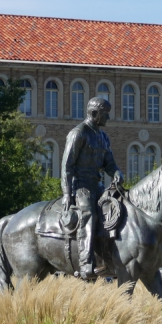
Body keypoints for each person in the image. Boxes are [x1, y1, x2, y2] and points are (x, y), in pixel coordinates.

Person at [60, 97, 123, 280]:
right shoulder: (78, 133)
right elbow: (67, 166)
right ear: (95, 114)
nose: (108, 118)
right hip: (81, 186)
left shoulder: (103, 137)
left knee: (115, 211)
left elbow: (109, 163)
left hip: (98, 185)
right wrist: (66, 194)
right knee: (89, 215)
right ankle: (86, 263)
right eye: (105, 114)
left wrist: (117, 173)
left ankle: (109, 260)